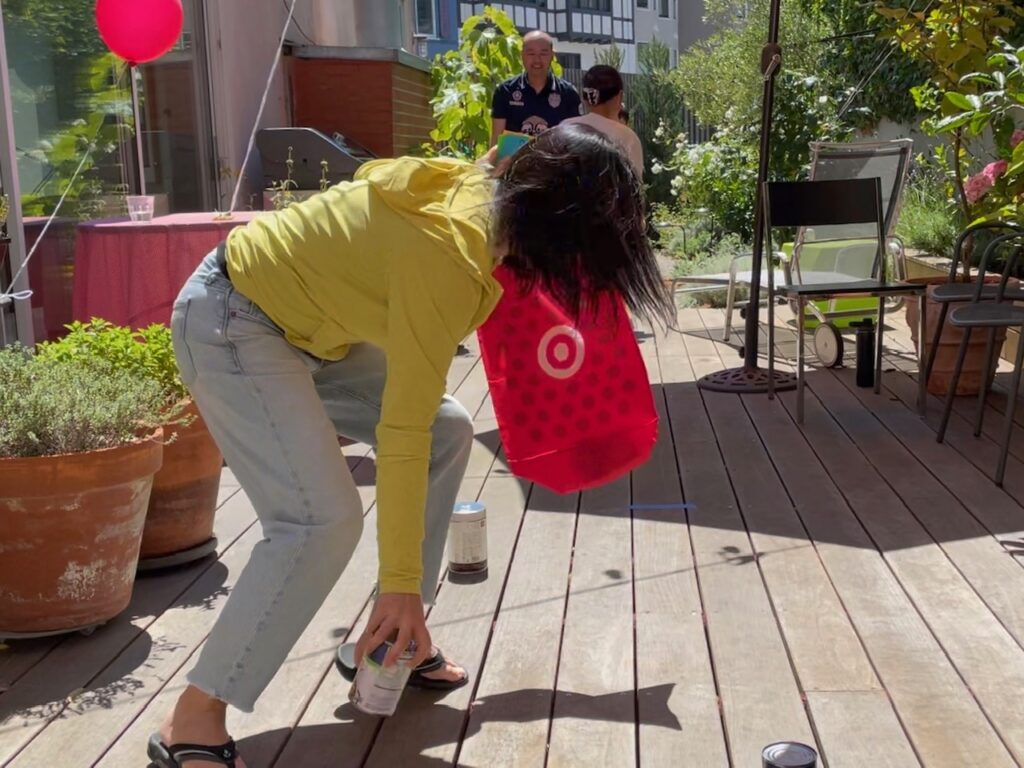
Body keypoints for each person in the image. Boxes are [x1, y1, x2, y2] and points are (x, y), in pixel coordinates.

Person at [147, 123, 674, 768]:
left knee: (449, 430)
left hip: (315, 329)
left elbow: (498, 163)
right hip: (234, 321)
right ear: (561, 227)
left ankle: (389, 639)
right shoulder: (450, 256)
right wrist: (398, 581)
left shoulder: (491, 197)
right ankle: (194, 718)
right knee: (319, 522)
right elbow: (401, 431)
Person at [490, 30, 582, 144]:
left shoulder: (568, 93)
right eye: (531, 54)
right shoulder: (505, 91)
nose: (537, 60)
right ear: (522, 55)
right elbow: (496, 139)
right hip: (515, 160)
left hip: (554, 160)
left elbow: (574, 140)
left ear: (552, 56)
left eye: (543, 54)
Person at [564, 65, 643, 179]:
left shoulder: (565, 127)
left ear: (584, 97)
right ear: (619, 97)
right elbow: (635, 189)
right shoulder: (628, 138)